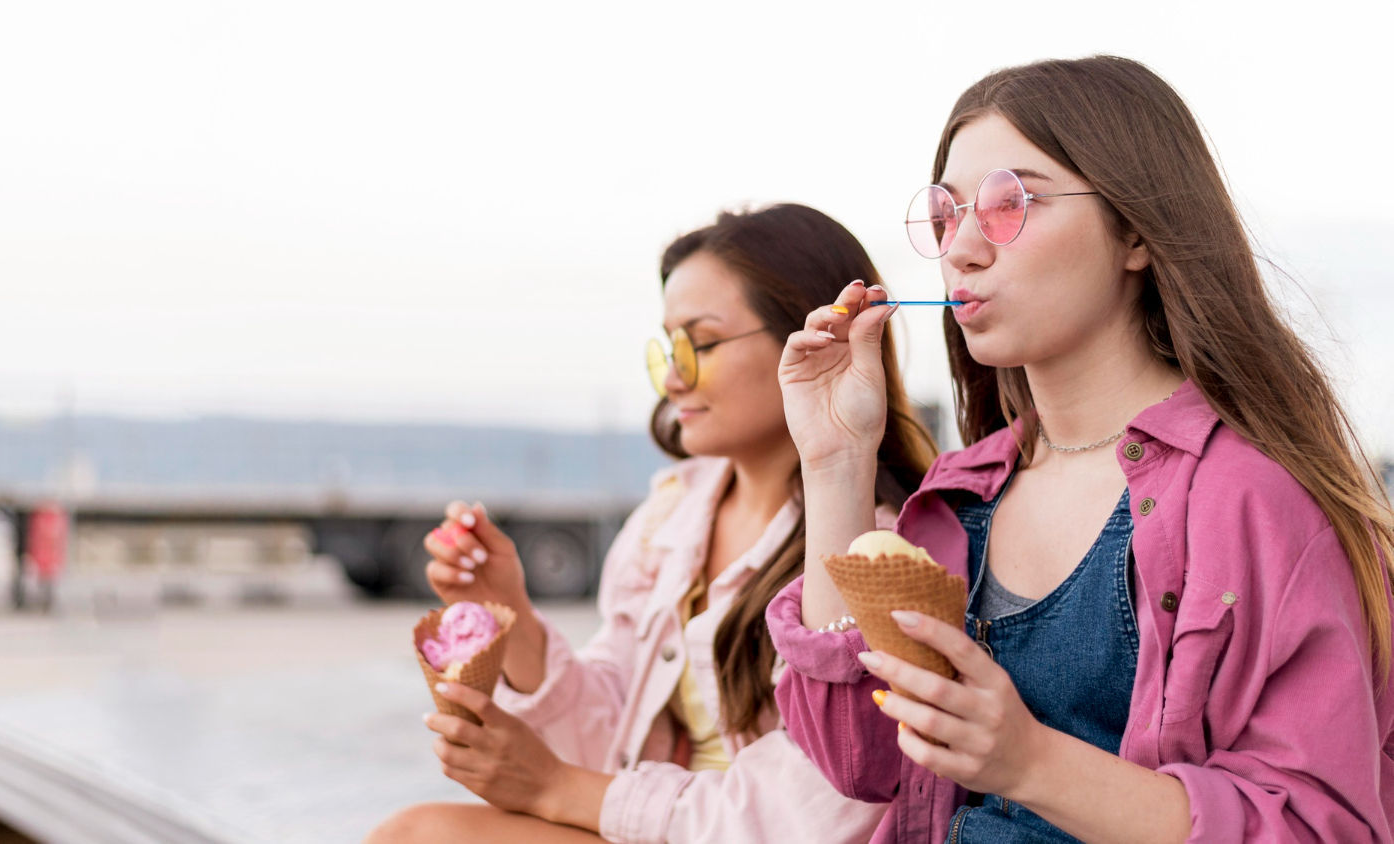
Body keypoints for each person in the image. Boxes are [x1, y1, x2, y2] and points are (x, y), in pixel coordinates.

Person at [767, 56, 1394, 843]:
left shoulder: (1255, 498)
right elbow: (861, 763)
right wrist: (834, 463)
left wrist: (1030, 763)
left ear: (1134, 231)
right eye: (947, 215)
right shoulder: (962, 496)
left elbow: (1320, 826)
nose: (960, 247)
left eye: (1008, 205)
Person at [365, 204, 938, 844]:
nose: (672, 377)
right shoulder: (671, 511)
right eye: (669, 347)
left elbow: (808, 813)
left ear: (816, 336)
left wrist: (553, 786)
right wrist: (512, 613)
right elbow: (611, 734)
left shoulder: (883, 545)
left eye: (702, 343)